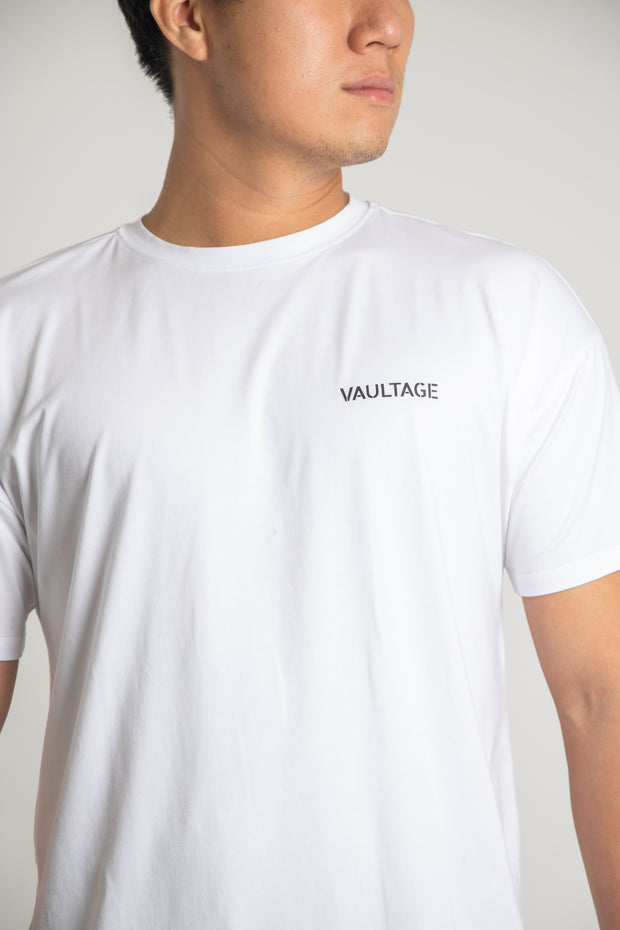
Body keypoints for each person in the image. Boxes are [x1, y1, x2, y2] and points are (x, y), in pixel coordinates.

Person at [1, 0, 619, 927]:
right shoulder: (23, 341)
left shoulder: (506, 312)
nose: (388, 25)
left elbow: (603, 699)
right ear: (188, 17)